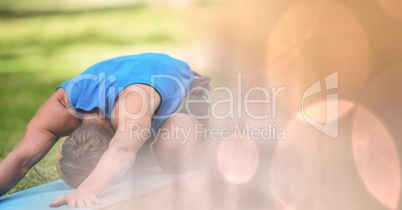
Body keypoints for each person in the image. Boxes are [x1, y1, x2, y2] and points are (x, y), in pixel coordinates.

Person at [0, 53, 211, 208]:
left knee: (175, 151)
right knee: (71, 164)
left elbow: (122, 151)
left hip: (186, 90)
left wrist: (87, 190)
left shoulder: (131, 103)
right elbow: (20, 159)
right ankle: (136, 146)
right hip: (132, 109)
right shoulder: (62, 108)